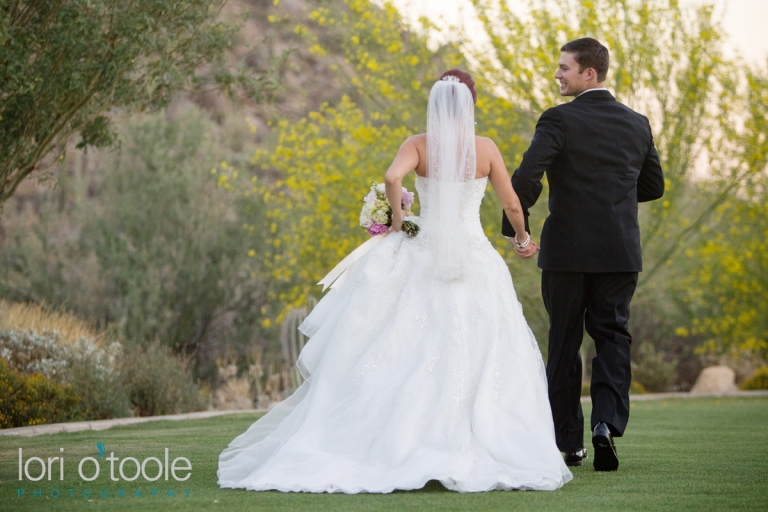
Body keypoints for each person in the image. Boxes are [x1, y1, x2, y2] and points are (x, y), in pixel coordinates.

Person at [218, 69, 572, 493]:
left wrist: (401, 221)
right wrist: (522, 238)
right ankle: (473, 434)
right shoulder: (485, 149)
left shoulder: (417, 144)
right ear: (472, 103)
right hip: (473, 254)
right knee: (482, 344)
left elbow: (392, 178)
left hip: (423, 250)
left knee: (405, 341)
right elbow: (512, 203)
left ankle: (394, 439)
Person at [502, 38, 665, 471]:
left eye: (564, 67)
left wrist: (517, 229)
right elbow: (654, 186)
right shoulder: (637, 123)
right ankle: (606, 425)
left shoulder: (558, 119)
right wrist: (614, 195)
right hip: (620, 250)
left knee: (564, 341)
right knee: (613, 337)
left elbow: (527, 176)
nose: (557, 74)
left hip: (567, 252)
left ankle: (569, 443)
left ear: (588, 73)